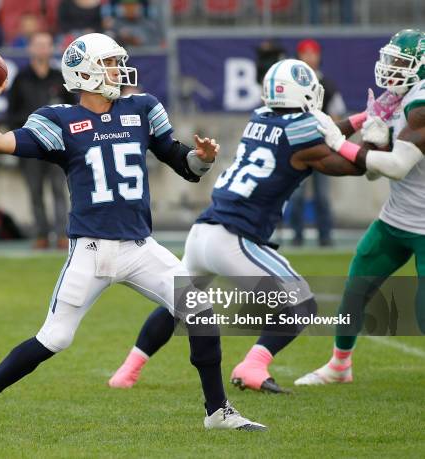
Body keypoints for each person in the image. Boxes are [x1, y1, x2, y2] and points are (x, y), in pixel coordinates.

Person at [0, 32, 266, 432]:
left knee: (199, 310)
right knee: (55, 338)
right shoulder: (57, 120)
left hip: (139, 247)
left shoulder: (143, 108)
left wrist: (202, 159)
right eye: (110, 63)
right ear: (87, 72)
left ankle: (217, 412)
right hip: (91, 251)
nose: (118, 69)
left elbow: (183, 165)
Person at [108, 58, 392, 394]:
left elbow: (322, 135)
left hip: (203, 232)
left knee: (179, 304)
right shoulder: (304, 138)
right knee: (301, 304)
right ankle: (253, 365)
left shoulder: (260, 118)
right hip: (233, 238)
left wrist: (360, 119)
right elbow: (353, 164)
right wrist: (375, 140)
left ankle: (127, 371)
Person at [295, 29, 425, 386]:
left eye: (400, 62)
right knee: (355, 288)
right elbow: (376, 172)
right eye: (391, 60)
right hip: (397, 218)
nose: (391, 69)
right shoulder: (398, 97)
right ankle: (339, 365)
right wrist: (374, 142)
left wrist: (341, 143)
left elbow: (398, 167)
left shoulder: (420, 103)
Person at [7, 31, 74, 250]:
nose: (43, 49)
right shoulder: (21, 78)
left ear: (51, 48)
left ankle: (63, 235)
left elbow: (73, 110)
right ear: (31, 48)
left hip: (57, 145)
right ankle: (41, 235)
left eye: (47, 44)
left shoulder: (59, 77)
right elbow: (11, 113)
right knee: (35, 191)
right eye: (39, 44)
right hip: (31, 145)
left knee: (59, 190)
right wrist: (24, 134)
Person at [289, 39, 347, 247]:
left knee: (322, 196)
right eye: (305, 53)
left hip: (321, 147)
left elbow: (337, 112)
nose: (309, 57)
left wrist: (333, 137)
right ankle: (297, 236)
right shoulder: (291, 84)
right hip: (299, 148)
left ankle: (325, 235)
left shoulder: (327, 84)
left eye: (312, 53)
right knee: (296, 196)